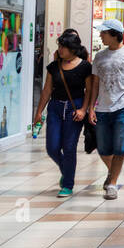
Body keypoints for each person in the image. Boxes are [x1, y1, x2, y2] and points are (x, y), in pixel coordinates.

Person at [87, 19, 124, 200]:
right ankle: (112, 172)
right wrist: (91, 107)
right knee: (103, 148)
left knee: (120, 147)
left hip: (123, 106)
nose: (100, 36)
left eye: (103, 33)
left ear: (114, 34)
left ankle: (112, 184)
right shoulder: (99, 56)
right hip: (103, 107)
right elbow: (95, 83)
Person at [32, 31, 92, 197]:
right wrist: (38, 112)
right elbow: (46, 90)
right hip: (55, 108)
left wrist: (84, 109)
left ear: (72, 49)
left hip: (75, 109)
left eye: (62, 46)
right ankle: (66, 170)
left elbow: (89, 90)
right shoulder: (54, 66)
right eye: (59, 46)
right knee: (52, 147)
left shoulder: (85, 66)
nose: (59, 49)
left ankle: (67, 184)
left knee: (69, 147)